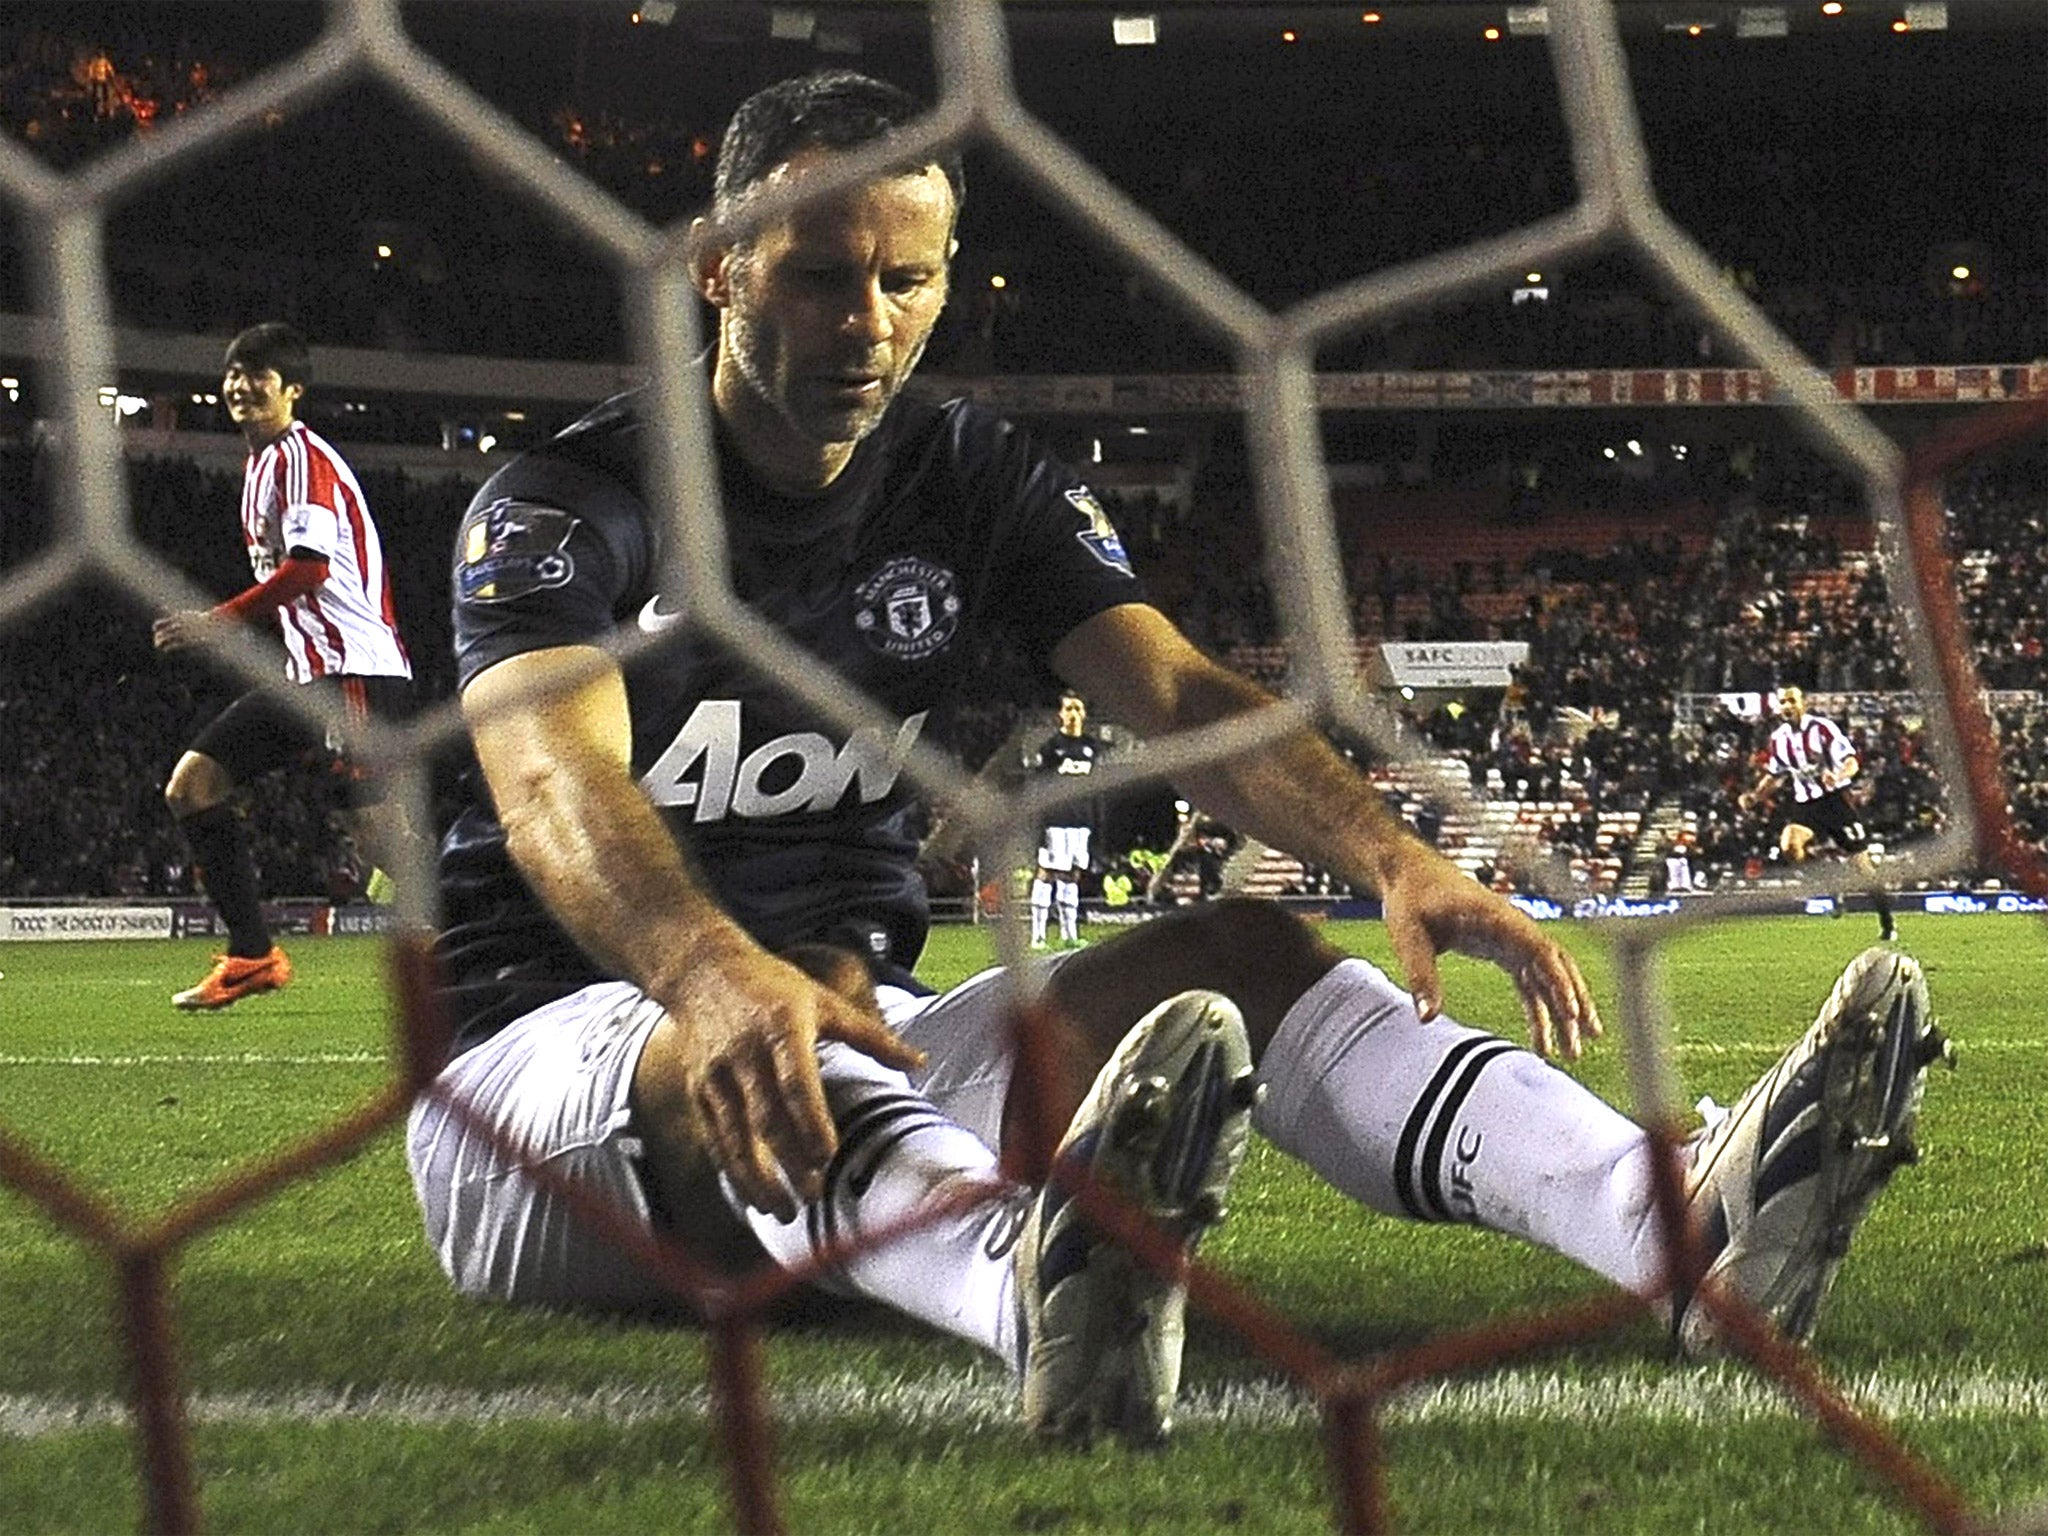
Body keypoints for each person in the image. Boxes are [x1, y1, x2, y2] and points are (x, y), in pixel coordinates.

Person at [412, 71, 1944, 1449]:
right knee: (775, 1024)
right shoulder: (570, 501)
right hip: (553, 1099)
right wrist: (706, 968)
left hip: (860, 1063)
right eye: (819, 281)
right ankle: (1027, 1283)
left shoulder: (966, 480)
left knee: (1249, 951)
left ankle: (1672, 1227)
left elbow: (1181, 692)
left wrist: (1395, 857)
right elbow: (554, 782)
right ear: (717, 270)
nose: (866, 326)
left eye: (908, 280)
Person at [152, 322, 418, 1009]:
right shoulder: (263, 464)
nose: (242, 385)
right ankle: (252, 956)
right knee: (193, 786)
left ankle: (530, 930)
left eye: (259, 374)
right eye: (235, 372)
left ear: (293, 390)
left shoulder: (301, 459)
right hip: (313, 675)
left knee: (383, 844)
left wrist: (217, 622)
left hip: (352, 670)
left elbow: (308, 568)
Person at [1742, 685, 1897, 942]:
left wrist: (1837, 777)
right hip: (1806, 804)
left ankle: (1887, 922)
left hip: (1835, 802)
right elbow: (1775, 774)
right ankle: (1831, 884)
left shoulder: (1823, 729)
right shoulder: (1779, 738)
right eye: (1783, 702)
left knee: (1863, 867)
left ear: (1803, 702)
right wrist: (1755, 796)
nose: (1787, 706)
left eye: (1792, 700)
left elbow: (1852, 762)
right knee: (1790, 846)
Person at [1028, 691, 1100, 948]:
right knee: (1046, 873)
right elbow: (1038, 787)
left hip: (1081, 823)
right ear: (1060, 715)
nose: (1073, 714)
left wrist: (1094, 822)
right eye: (1068, 708)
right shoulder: (1050, 748)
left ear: (1084, 714)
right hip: (1055, 821)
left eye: (1077, 709)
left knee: (1072, 875)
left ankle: (1069, 934)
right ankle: (1038, 935)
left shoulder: (1092, 748)